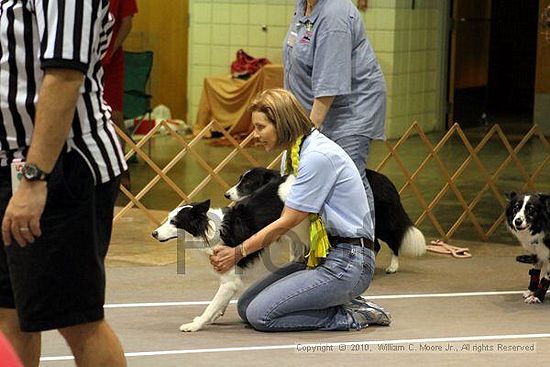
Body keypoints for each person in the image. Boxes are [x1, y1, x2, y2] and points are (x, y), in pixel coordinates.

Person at [0, 1, 127, 366]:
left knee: (77, 319)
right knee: (8, 310)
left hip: (62, 166)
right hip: (9, 164)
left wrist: (35, 177)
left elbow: (64, 77)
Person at [210, 89, 391, 331]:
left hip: (347, 261)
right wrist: (231, 243)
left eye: (261, 127)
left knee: (261, 315)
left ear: (282, 122)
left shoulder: (316, 156)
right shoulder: (294, 155)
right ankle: (333, 300)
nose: (255, 135)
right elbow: (266, 215)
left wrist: (238, 252)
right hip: (318, 256)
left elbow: (288, 221)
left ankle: (353, 314)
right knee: (246, 307)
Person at [283, 0, 387, 222]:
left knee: (349, 179)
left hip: (351, 110)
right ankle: (324, 250)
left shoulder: (334, 13)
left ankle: (362, 248)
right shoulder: (302, 5)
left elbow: (330, 80)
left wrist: (307, 134)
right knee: (318, 178)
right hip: (317, 111)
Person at [102, 0, 138, 189]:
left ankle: (121, 168)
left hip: (111, 60)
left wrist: (109, 51)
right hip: (83, 58)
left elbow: (127, 22)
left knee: (115, 116)